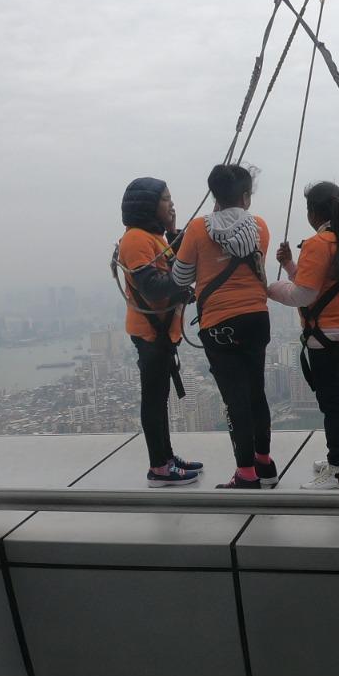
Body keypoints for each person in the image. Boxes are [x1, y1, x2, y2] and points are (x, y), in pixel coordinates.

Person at [171, 164, 277, 490]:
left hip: (219, 324)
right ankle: (264, 463)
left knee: (235, 400)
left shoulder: (197, 230)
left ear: (214, 196)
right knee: (256, 392)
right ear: (245, 197)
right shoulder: (259, 226)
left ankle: (246, 474)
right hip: (257, 319)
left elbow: (180, 278)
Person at [269, 182, 339, 489]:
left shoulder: (318, 243)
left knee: (332, 402)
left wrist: (269, 289)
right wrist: (290, 264)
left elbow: (304, 294)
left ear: (314, 211)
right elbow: (318, 284)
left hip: (325, 331)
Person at [114, 176, 202, 486]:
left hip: (161, 334)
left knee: (160, 397)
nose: (172, 203)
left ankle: (166, 457)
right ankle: (159, 467)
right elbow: (153, 288)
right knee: (154, 399)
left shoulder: (153, 237)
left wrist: (173, 231)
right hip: (151, 334)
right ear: (149, 205)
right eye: (166, 199)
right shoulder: (136, 239)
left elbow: (176, 266)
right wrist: (184, 291)